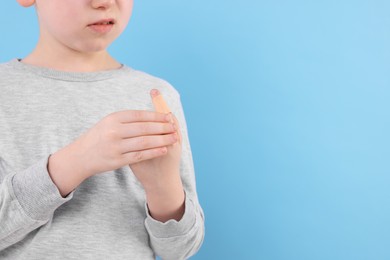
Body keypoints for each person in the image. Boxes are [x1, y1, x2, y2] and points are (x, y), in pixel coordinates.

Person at [0, 0, 205, 259]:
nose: (104, 2)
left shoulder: (158, 96)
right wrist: (74, 162)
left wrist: (163, 187)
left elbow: (180, 249)